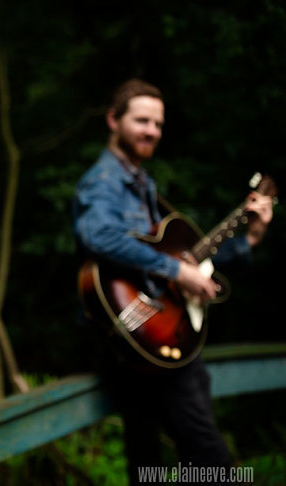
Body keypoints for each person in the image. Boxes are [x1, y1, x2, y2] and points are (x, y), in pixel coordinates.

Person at [71, 78, 273, 484]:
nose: (151, 131)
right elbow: (98, 236)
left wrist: (250, 235)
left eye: (158, 124)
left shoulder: (144, 184)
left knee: (147, 460)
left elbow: (184, 253)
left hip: (151, 339)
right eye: (141, 120)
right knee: (210, 459)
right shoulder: (104, 182)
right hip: (141, 336)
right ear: (114, 119)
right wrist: (178, 271)